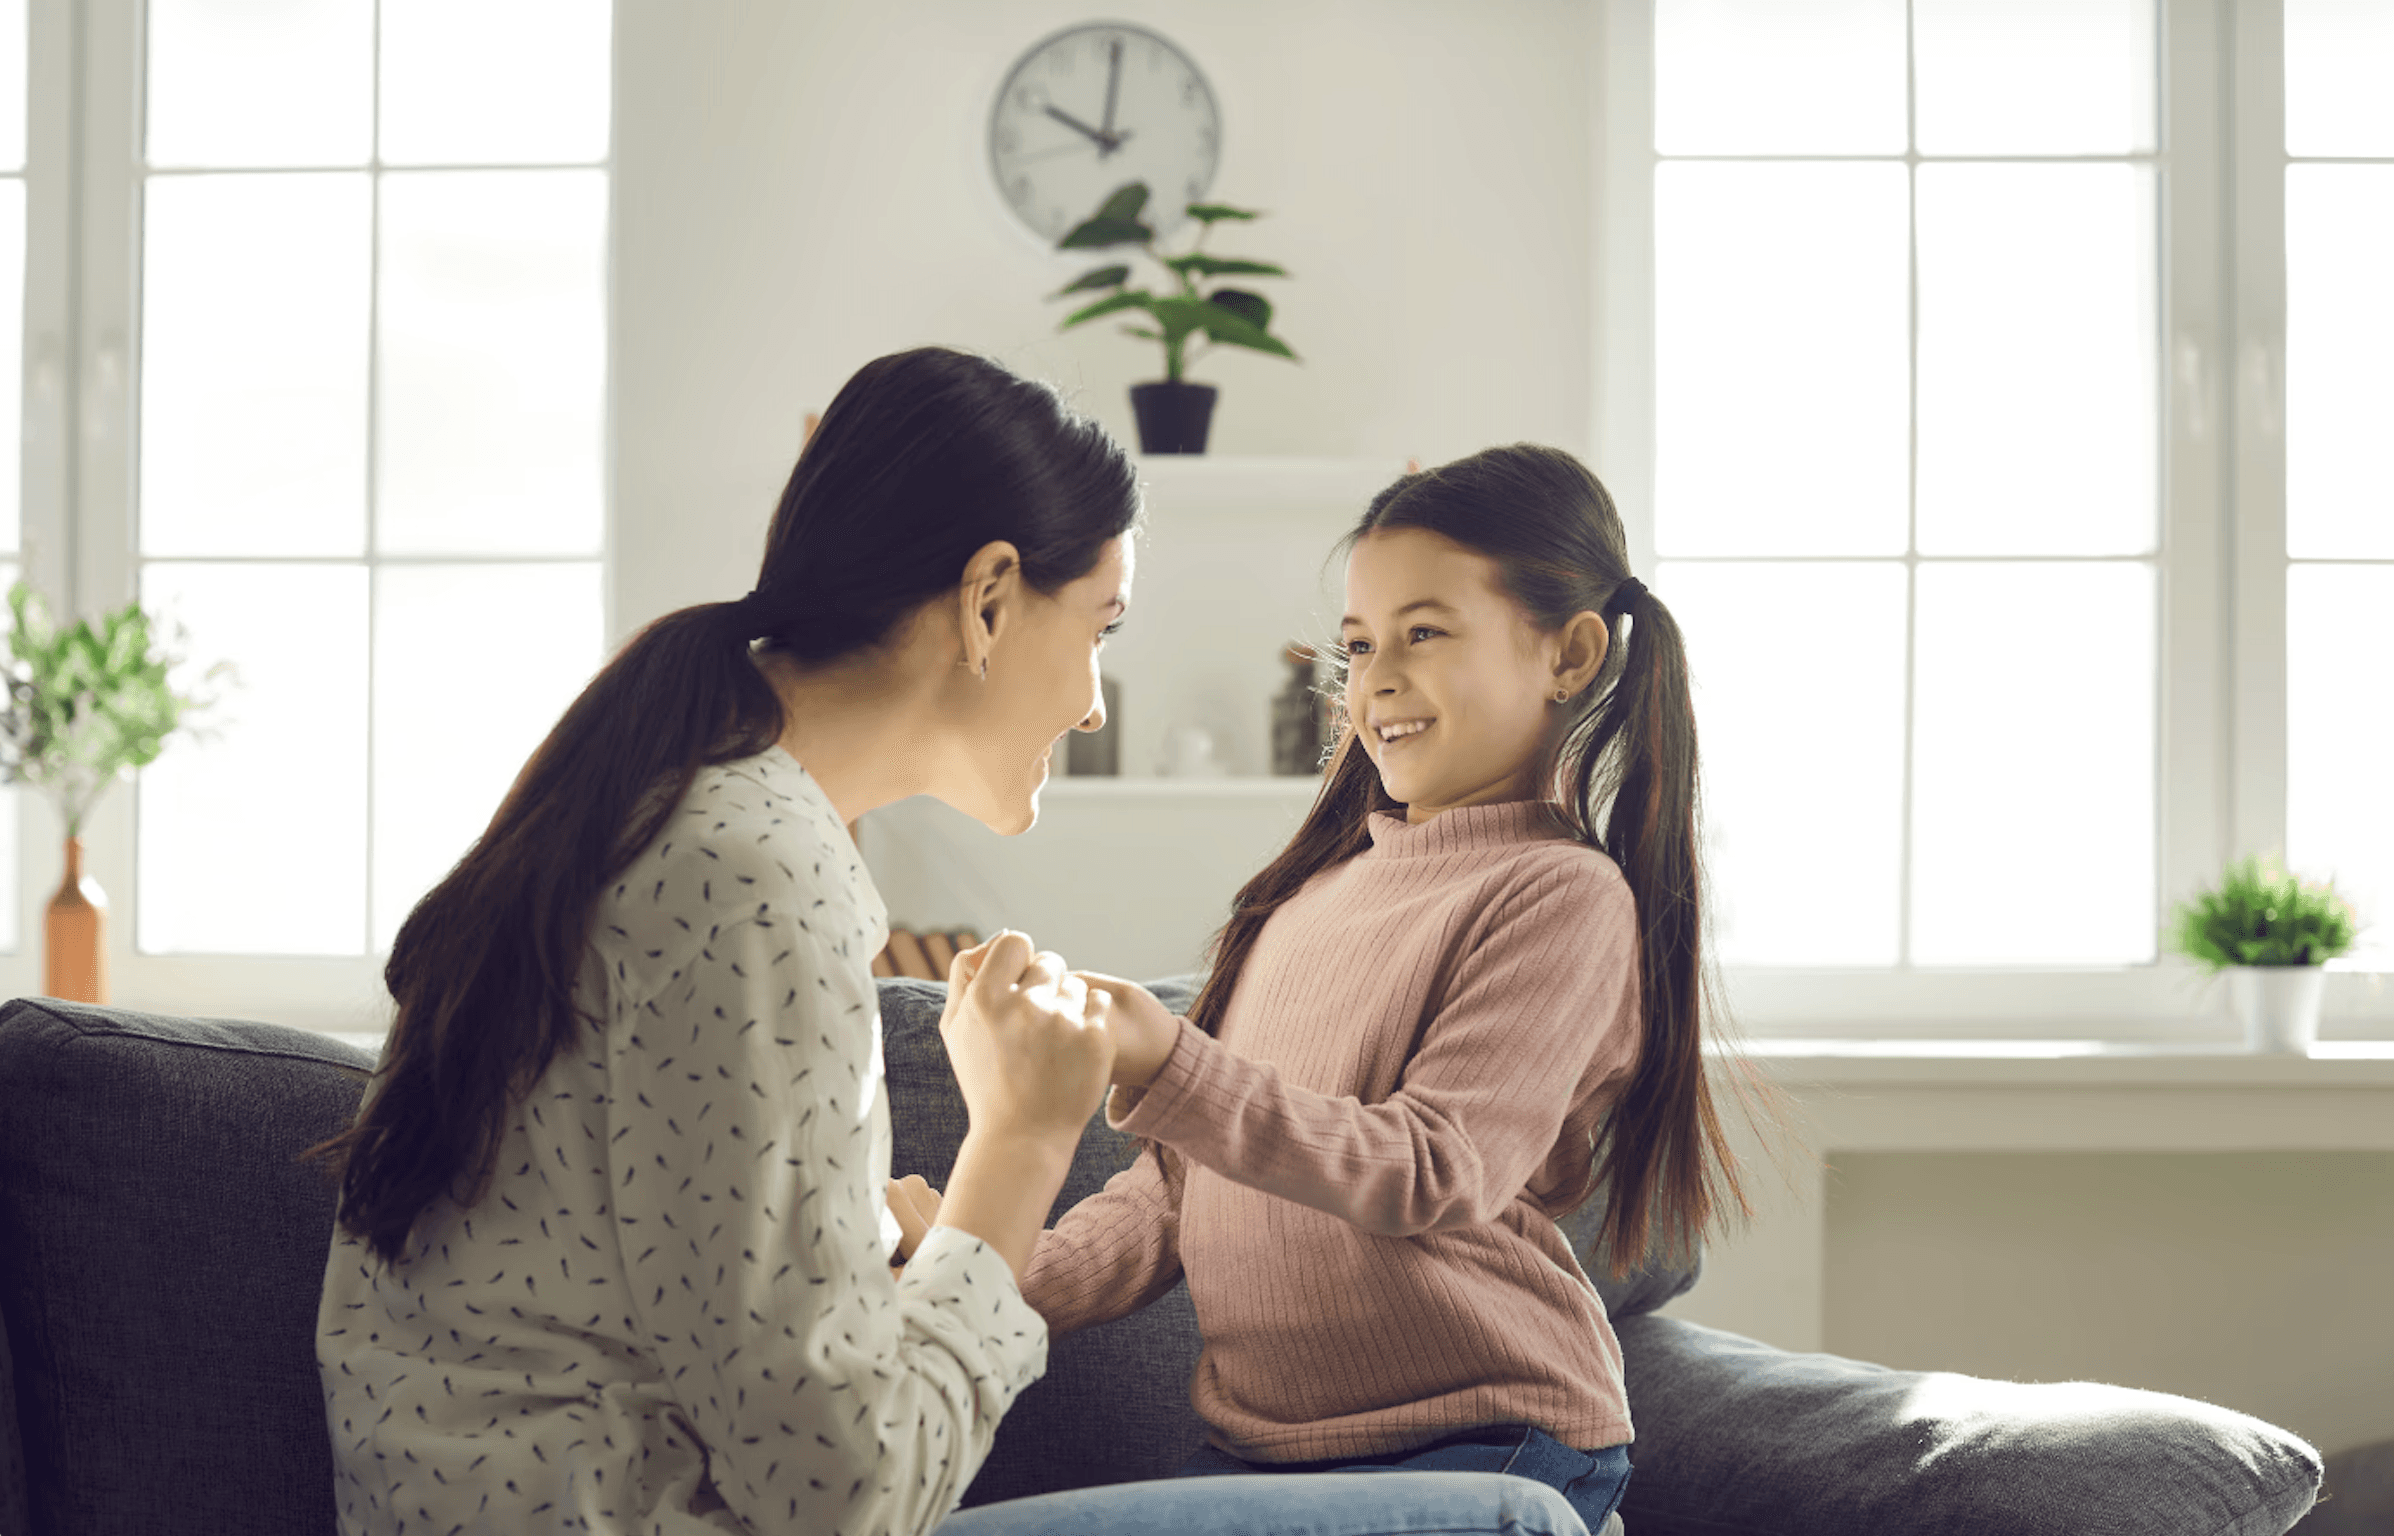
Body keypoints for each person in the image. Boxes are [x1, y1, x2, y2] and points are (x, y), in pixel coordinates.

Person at [309, 346, 1594, 1536]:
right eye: (1100, 629)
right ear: (988, 601)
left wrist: (920, 1237)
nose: (1093, 704)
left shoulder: (678, 817)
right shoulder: (757, 874)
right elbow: (844, 1492)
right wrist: (1022, 1139)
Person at [961, 444, 1755, 1534]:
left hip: (1492, 1443)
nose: (1377, 677)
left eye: (1424, 633)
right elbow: (1176, 1195)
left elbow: (1435, 1167)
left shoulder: (1561, 895)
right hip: (1261, 1456)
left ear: (1567, 653)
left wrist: (1168, 1059)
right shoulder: (1304, 903)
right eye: (1358, 643)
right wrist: (985, 1270)